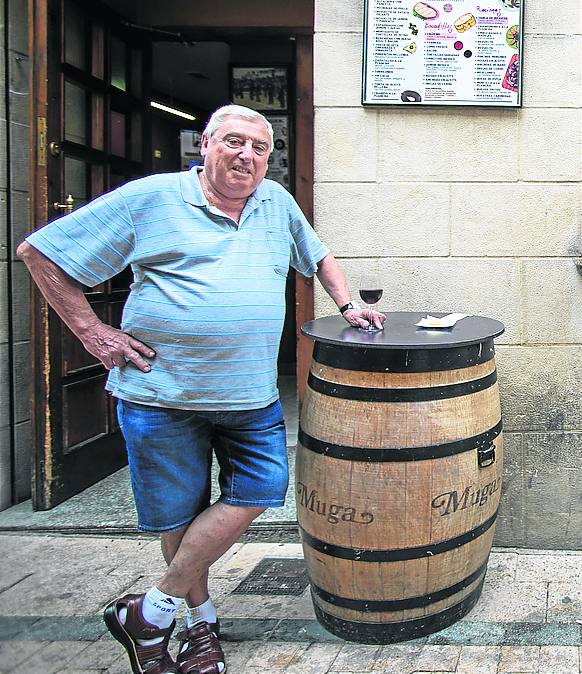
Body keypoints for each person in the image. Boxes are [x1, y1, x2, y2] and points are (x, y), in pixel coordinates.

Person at [16, 104, 384, 674]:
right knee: (178, 518)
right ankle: (198, 625)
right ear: (205, 144)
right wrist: (91, 333)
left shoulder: (275, 202)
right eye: (234, 142)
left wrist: (349, 303)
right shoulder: (152, 199)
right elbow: (39, 252)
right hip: (163, 396)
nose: (247, 156)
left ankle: (151, 609)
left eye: (260, 148)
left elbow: (318, 255)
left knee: (262, 489)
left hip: (250, 395)